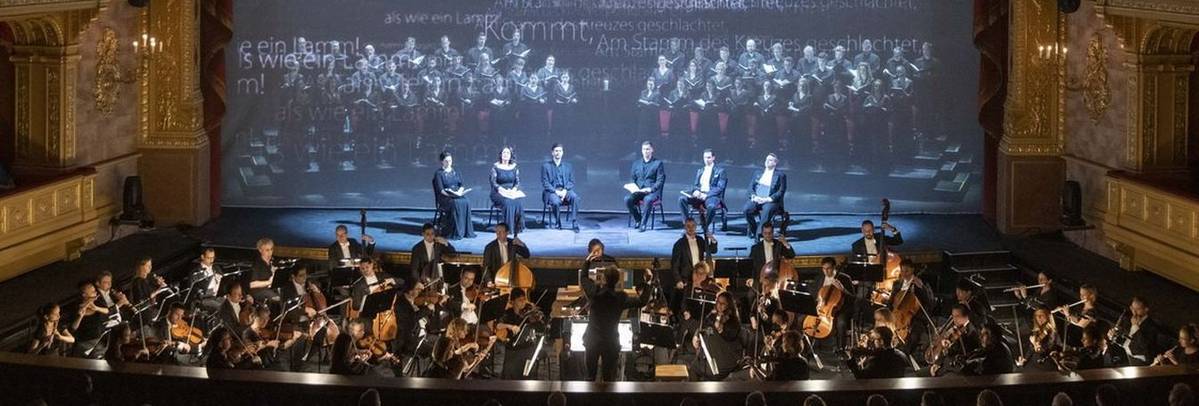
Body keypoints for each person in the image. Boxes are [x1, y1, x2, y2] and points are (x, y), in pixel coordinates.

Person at [578, 266, 652, 381]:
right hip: (610, 341)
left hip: (592, 340)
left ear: (603, 279)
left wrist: (587, 261)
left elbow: (583, 278)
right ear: (617, 280)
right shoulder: (621, 297)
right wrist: (647, 282)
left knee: (590, 377)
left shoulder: (594, 293)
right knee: (609, 379)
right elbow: (642, 301)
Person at [670, 218, 717, 310]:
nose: (691, 228)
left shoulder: (700, 240)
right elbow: (674, 265)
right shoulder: (679, 244)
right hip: (686, 278)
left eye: (693, 226)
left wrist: (713, 240)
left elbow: (712, 250)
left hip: (700, 277)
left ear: (696, 227)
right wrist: (678, 280)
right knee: (686, 302)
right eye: (688, 226)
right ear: (685, 227)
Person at [678, 149, 727, 235]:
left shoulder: (720, 171)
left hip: (711, 196)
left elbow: (720, 187)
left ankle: (705, 226)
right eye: (705, 157)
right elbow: (696, 185)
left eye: (709, 157)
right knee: (682, 199)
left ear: (713, 158)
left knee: (711, 207)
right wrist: (696, 191)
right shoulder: (700, 171)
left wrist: (707, 195)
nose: (706, 160)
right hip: (699, 195)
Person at [810, 256, 854, 349]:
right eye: (824, 269)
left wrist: (842, 289)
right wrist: (818, 301)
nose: (826, 271)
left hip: (840, 309)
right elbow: (813, 293)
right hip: (821, 308)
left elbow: (853, 298)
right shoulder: (819, 278)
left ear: (834, 267)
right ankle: (811, 347)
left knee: (841, 323)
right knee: (805, 321)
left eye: (828, 268)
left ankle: (841, 348)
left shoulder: (845, 278)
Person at [433, 150, 476, 240]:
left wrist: (460, 191)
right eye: (446, 161)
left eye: (450, 161)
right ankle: (455, 231)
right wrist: (451, 195)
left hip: (456, 194)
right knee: (455, 203)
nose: (449, 163)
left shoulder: (455, 171)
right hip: (445, 197)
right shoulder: (439, 173)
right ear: (442, 161)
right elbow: (441, 190)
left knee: (466, 201)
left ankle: (465, 230)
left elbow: (461, 185)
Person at [743, 153, 786, 240]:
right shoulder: (758, 172)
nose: (767, 161)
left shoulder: (780, 175)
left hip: (770, 200)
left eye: (770, 160)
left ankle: (758, 235)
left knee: (767, 210)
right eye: (766, 159)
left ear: (775, 162)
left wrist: (768, 199)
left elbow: (781, 191)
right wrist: (754, 197)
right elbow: (750, 187)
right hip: (757, 198)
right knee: (746, 209)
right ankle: (755, 229)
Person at [626, 141, 666, 232]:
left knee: (648, 200)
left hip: (652, 192)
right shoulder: (636, 163)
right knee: (627, 199)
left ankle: (643, 224)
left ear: (652, 150)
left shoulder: (658, 163)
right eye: (644, 149)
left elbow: (660, 180)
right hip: (639, 191)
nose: (646, 151)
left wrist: (651, 189)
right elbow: (632, 178)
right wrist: (633, 187)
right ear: (641, 150)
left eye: (648, 149)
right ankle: (638, 220)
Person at [1109, 296, 1160, 365]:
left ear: (1146, 309)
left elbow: (1144, 346)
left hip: (1139, 359)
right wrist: (1115, 337)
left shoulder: (1151, 326)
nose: (1134, 312)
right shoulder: (1128, 320)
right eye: (1133, 309)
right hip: (1125, 354)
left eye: (1138, 309)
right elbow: (1127, 342)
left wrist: (1136, 327)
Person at [541, 143, 580, 231]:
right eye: (556, 151)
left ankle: (574, 222)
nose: (558, 153)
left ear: (562, 153)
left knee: (575, 197)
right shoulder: (546, 166)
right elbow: (545, 183)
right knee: (555, 201)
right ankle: (558, 222)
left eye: (560, 151)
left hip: (565, 190)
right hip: (551, 191)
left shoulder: (568, 166)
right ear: (552, 153)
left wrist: (565, 191)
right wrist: (556, 192)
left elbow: (571, 181)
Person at [349, 258, 398, 322]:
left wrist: (392, 280)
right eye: (362, 268)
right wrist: (369, 299)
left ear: (372, 265)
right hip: (370, 313)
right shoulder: (358, 285)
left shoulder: (382, 275)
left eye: (367, 267)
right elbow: (355, 306)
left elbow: (401, 282)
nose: (365, 270)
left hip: (386, 310)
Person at [190, 248, 225, 314]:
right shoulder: (196, 271)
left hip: (217, 296)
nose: (211, 260)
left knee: (230, 303)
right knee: (223, 306)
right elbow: (193, 290)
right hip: (204, 298)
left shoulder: (217, 268)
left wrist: (220, 278)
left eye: (213, 258)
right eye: (209, 258)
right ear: (202, 257)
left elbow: (223, 281)